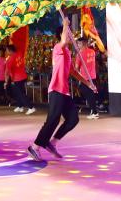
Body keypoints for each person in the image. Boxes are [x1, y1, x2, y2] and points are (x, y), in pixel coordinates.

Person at [28, 20, 95, 161]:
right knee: (53, 119)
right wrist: (65, 25)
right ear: (62, 34)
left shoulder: (68, 53)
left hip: (64, 91)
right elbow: (63, 41)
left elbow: (74, 72)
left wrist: (88, 84)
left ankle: (52, 143)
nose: (71, 37)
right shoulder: (58, 48)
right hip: (56, 89)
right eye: (69, 34)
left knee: (73, 119)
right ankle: (34, 147)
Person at [5, 45, 35, 115]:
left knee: (21, 93)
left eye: (7, 50)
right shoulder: (19, 54)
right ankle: (20, 106)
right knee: (18, 93)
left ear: (10, 51)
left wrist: (6, 81)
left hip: (17, 78)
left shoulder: (10, 59)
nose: (6, 52)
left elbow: (7, 72)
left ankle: (31, 107)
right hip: (22, 76)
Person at [75, 37, 99, 119]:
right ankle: (93, 111)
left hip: (85, 78)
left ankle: (94, 112)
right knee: (90, 94)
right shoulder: (92, 52)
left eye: (79, 43)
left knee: (88, 93)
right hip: (93, 76)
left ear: (83, 44)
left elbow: (76, 68)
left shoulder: (80, 54)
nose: (78, 45)